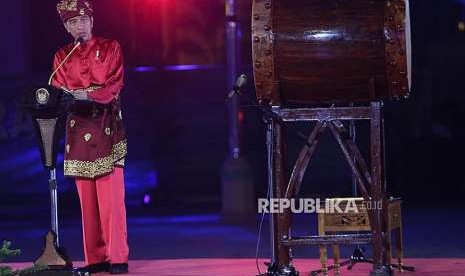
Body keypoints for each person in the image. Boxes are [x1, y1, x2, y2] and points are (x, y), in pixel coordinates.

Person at [52, 0, 129, 274]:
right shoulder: (62, 55)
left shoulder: (111, 48)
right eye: (72, 22)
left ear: (92, 21)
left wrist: (88, 95)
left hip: (106, 124)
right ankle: (95, 260)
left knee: (111, 202)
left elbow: (114, 85)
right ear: (66, 27)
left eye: (82, 20)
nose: (79, 26)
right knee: (88, 203)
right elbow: (57, 91)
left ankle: (117, 258)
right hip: (78, 128)